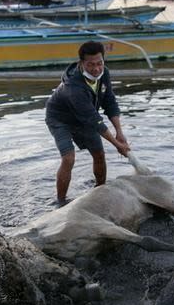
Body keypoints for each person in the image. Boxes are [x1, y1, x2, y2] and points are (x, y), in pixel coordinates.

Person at [45, 41, 131, 205]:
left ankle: (100, 189)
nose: (96, 69)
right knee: (69, 158)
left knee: (99, 154)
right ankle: (61, 202)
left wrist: (119, 132)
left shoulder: (104, 73)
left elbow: (110, 102)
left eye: (99, 63)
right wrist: (117, 145)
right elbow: (94, 120)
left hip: (85, 117)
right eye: (91, 65)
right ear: (81, 63)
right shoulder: (74, 87)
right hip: (60, 118)